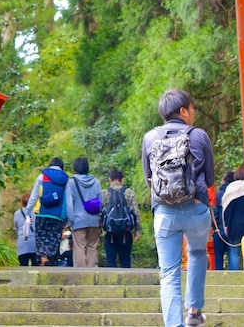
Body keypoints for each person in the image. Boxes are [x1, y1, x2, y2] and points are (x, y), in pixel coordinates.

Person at [142, 88, 215, 327]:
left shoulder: (150, 138)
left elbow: (149, 178)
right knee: (196, 253)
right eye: (192, 109)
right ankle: (194, 312)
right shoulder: (199, 136)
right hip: (195, 210)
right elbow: (211, 179)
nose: (193, 113)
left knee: (169, 273)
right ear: (184, 111)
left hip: (164, 213)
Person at [26, 157, 69, 266]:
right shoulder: (66, 180)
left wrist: (27, 212)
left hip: (42, 214)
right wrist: (68, 219)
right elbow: (68, 201)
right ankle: (50, 263)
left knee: (41, 243)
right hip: (58, 217)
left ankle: (43, 262)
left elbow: (34, 196)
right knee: (53, 243)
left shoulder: (42, 177)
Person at [65, 156, 103, 267]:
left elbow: (69, 203)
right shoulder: (96, 182)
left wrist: (70, 221)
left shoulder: (71, 183)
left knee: (79, 247)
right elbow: (101, 201)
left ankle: (81, 275)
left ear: (75, 169)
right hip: (93, 220)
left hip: (78, 220)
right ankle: (91, 273)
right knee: (92, 247)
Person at [220, 167, 244, 271]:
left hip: (234, 225)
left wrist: (226, 225)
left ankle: (234, 274)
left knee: (234, 251)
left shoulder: (230, 188)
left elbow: (225, 210)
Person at [101, 168, 141, 268]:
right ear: (122, 180)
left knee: (110, 259)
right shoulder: (129, 193)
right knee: (125, 259)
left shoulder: (104, 193)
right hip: (126, 232)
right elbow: (136, 212)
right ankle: (127, 282)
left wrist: (99, 231)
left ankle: (110, 282)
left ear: (109, 180)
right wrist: (138, 230)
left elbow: (100, 213)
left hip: (109, 233)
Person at [212, 170, 235, 270]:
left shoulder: (218, 194)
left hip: (219, 229)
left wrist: (214, 226)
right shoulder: (235, 193)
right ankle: (235, 277)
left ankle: (218, 277)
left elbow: (215, 212)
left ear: (224, 180)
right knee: (233, 254)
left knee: (218, 257)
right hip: (233, 229)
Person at [14, 192, 38, 266]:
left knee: (23, 265)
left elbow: (16, 227)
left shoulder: (17, 213)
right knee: (36, 266)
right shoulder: (36, 213)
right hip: (34, 243)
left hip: (22, 242)